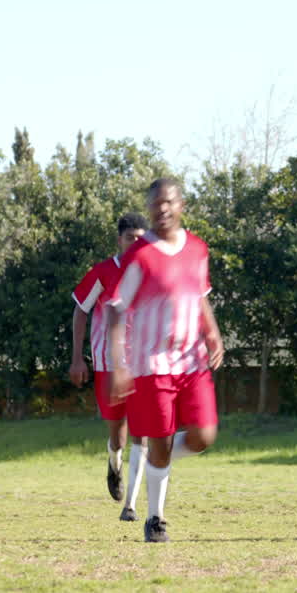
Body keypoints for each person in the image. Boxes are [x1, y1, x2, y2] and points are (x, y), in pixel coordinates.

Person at [104, 178, 225, 543]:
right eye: (156, 204)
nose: (163, 209)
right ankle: (155, 520)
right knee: (158, 443)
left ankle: (161, 460)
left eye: (169, 202)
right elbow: (115, 308)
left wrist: (213, 331)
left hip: (192, 361)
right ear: (151, 207)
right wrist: (117, 363)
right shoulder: (140, 254)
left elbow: (200, 295)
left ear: (181, 204)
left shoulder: (198, 250)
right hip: (152, 362)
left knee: (205, 435)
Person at [70, 213, 149, 521]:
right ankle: (113, 465)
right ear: (119, 239)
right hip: (107, 367)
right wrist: (78, 358)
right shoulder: (103, 272)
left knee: (141, 435)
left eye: (141, 239)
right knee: (118, 435)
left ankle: (130, 505)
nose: (136, 244)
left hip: (143, 366)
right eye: (131, 238)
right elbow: (80, 311)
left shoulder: (149, 273)